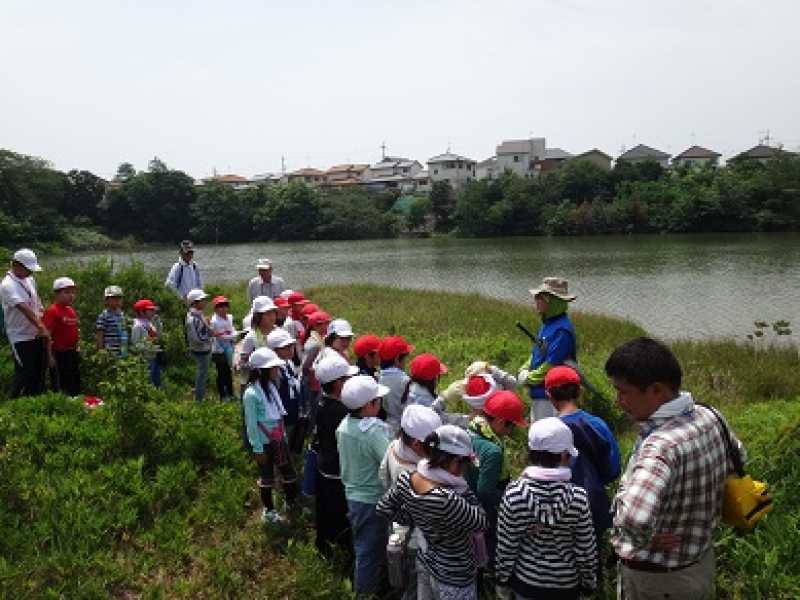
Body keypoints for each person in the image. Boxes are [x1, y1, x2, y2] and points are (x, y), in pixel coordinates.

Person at [605, 337, 744, 600]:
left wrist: (637, 539)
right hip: (699, 565)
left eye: (623, 392)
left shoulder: (660, 448)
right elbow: (739, 458)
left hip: (656, 581)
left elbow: (635, 518)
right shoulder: (710, 415)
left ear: (657, 390)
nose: (618, 401)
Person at [377, 424, 489, 600]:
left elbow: (383, 507)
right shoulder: (448, 498)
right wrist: (465, 489)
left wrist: (413, 516)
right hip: (454, 574)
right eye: (464, 463)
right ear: (454, 460)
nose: (464, 470)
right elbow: (481, 521)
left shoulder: (407, 478)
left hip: (425, 561)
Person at [495, 417, 597, 600]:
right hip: (567, 586)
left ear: (530, 452)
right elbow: (585, 549)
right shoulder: (578, 497)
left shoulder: (514, 493)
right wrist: (588, 585)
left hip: (526, 584)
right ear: (565, 455)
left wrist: (502, 581)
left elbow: (506, 545)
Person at [545, 365, 621, 578]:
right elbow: (613, 469)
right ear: (579, 391)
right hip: (594, 502)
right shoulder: (598, 424)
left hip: (557, 507)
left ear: (548, 394)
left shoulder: (548, 430)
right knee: (591, 555)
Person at [378, 404, 442, 600]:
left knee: (404, 578)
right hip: (415, 540)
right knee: (414, 585)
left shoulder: (393, 447)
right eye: (432, 445)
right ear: (416, 444)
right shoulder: (415, 473)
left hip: (396, 529)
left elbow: (382, 477)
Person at [337, 375, 393, 597]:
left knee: (364, 545)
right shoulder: (371, 432)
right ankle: (365, 593)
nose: (380, 404)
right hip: (372, 499)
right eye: (378, 400)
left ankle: (368, 583)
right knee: (368, 551)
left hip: (353, 494)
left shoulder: (344, 425)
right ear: (369, 405)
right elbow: (390, 459)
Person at [465, 390, 528, 564]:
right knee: (490, 543)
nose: (511, 431)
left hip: (468, 503)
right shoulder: (493, 451)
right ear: (500, 422)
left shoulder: (470, 430)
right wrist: (511, 499)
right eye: (512, 425)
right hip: (486, 509)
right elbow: (485, 492)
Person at [242, 347, 298, 523]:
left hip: (279, 439)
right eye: (272, 368)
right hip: (264, 444)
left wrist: (284, 437)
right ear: (262, 371)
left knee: (288, 473)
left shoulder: (271, 387)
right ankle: (269, 512)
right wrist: (257, 449)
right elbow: (251, 424)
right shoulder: (251, 394)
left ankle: (291, 503)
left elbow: (278, 413)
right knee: (267, 479)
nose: (276, 370)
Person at [313, 353, 359, 557]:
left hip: (324, 464)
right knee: (339, 511)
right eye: (347, 379)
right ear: (339, 383)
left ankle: (323, 544)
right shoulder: (341, 411)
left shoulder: (321, 402)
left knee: (324, 507)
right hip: (338, 469)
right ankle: (341, 548)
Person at [518, 277, 578, 422]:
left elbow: (552, 364)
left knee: (547, 439)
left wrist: (529, 378)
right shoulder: (547, 324)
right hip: (539, 394)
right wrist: (524, 368)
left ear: (552, 302)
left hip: (552, 398)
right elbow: (536, 353)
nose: (536, 302)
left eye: (540, 298)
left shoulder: (562, 331)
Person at [0, 249, 48, 398]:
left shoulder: (29, 279)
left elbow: (35, 300)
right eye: (29, 269)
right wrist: (41, 326)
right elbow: (24, 308)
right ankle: (13, 402)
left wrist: (43, 314)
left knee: (39, 369)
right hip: (20, 336)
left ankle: (35, 401)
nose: (31, 273)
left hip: (35, 334)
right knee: (24, 371)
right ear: (17, 265)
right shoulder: (7, 285)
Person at [267, 328, 305, 453]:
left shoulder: (289, 363)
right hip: (282, 416)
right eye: (285, 347)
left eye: (291, 346)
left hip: (293, 410)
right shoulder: (274, 371)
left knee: (292, 439)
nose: (290, 350)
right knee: (281, 444)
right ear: (273, 351)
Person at [43, 277, 80, 396]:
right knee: (61, 384)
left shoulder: (71, 310)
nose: (71, 296)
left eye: (73, 292)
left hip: (72, 352)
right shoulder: (52, 311)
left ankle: (75, 403)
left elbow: (74, 329)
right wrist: (49, 357)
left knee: (74, 379)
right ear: (57, 294)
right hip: (59, 354)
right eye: (67, 292)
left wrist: (77, 346)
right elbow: (47, 335)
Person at [238, 296, 278, 393]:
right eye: (267, 314)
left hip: (277, 380)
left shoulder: (279, 332)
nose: (272, 316)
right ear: (258, 316)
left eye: (273, 312)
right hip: (258, 383)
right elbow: (242, 363)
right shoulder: (251, 337)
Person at [378, 335, 414, 436]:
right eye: (405, 358)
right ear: (397, 359)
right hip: (404, 429)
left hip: (386, 427)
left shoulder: (377, 378)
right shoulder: (405, 381)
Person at [301, 310, 331, 428]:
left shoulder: (319, 339)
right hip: (311, 383)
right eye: (325, 323)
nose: (327, 326)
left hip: (314, 381)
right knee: (312, 410)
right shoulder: (314, 343)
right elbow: (305, 366)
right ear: (316, 325)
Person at [185, 288, 212, 401]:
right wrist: (211, 335)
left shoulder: (198, 315)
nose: (205, 302)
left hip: (203, 348)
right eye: (202, 300)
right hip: (200, 350)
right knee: (201, 374)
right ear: (195, 303)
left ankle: (200, 394)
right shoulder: (193, 319)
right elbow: (197, 337)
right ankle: (199, 398)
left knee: (202, 373)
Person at [131, 298, 162, 388]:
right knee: (147, 382)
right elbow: (135, 344)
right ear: (141, 312)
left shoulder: (149, 323)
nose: (153, 312)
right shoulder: (137, 326)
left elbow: (158, 336)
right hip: (144, 359)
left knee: (156, 382)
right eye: (150, 310)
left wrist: (158, 323)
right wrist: (149, 346)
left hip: (153, 357)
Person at [210, 296, 236, 400]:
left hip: (229, 347)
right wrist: (232, 335)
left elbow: (232, 329)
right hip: (218, 350)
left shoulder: (229, 317)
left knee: (228, 371)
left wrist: (233, 334)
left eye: (225, 306)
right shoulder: (214, 321)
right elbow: (218, 336)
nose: (223, 308)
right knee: (221, 372)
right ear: (215, 308)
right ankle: (222, 395)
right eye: (220, 306)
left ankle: (230, 393)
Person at [95, 285, 127, 357]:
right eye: (113, 298)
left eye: (119, 298)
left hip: (122, 352)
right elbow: (100, 335)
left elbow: (124, 332)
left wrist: (125, 351)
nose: (117, 300)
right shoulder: (104, 316)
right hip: (109, 353)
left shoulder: (122, 316)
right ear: (106, 300)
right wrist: (100, 352)